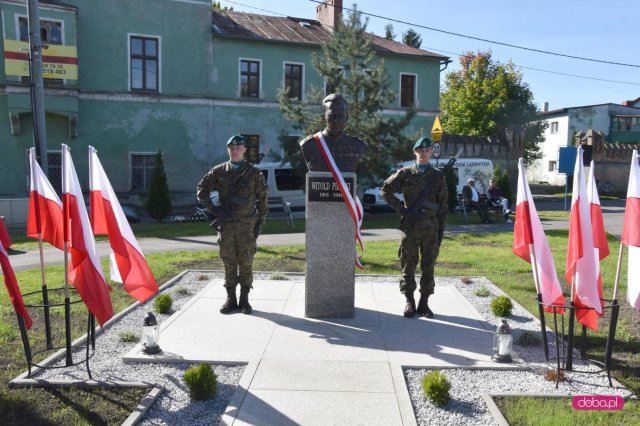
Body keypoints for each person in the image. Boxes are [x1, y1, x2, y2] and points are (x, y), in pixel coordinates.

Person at [197, 135, 268, 315]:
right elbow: (201, 190)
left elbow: (263, 201)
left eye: (238, 147)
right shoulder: (219, 171)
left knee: (246, 263)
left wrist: (260, 223)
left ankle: (244, 299)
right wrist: (214, 209)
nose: (234, 150)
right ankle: (231, 299)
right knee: (229, 263)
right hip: (227, 225)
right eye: (231, 148)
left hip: (247, 226)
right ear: (228, 149)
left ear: (245, 150)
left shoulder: (254, 173)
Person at [380, 137, 448, 318]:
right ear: (415, 152)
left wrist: (441, 230)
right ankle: (409, 301)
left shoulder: (438, 175)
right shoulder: (406, 173)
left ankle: (424, 303)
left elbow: (443, 205)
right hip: (410, 227)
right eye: (420, 150)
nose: (423, 153)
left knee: (429, 265)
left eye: (427, 150)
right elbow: (385, 190)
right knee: (408, 264)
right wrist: (402, 209)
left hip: (431, 228)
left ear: (430, 153)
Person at [299, 94, 366, 173]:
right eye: (332, 116)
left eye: (340, 116)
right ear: (323, 117)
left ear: (346, 118)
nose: (336, 120)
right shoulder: (309, 144)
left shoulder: (357, 145)